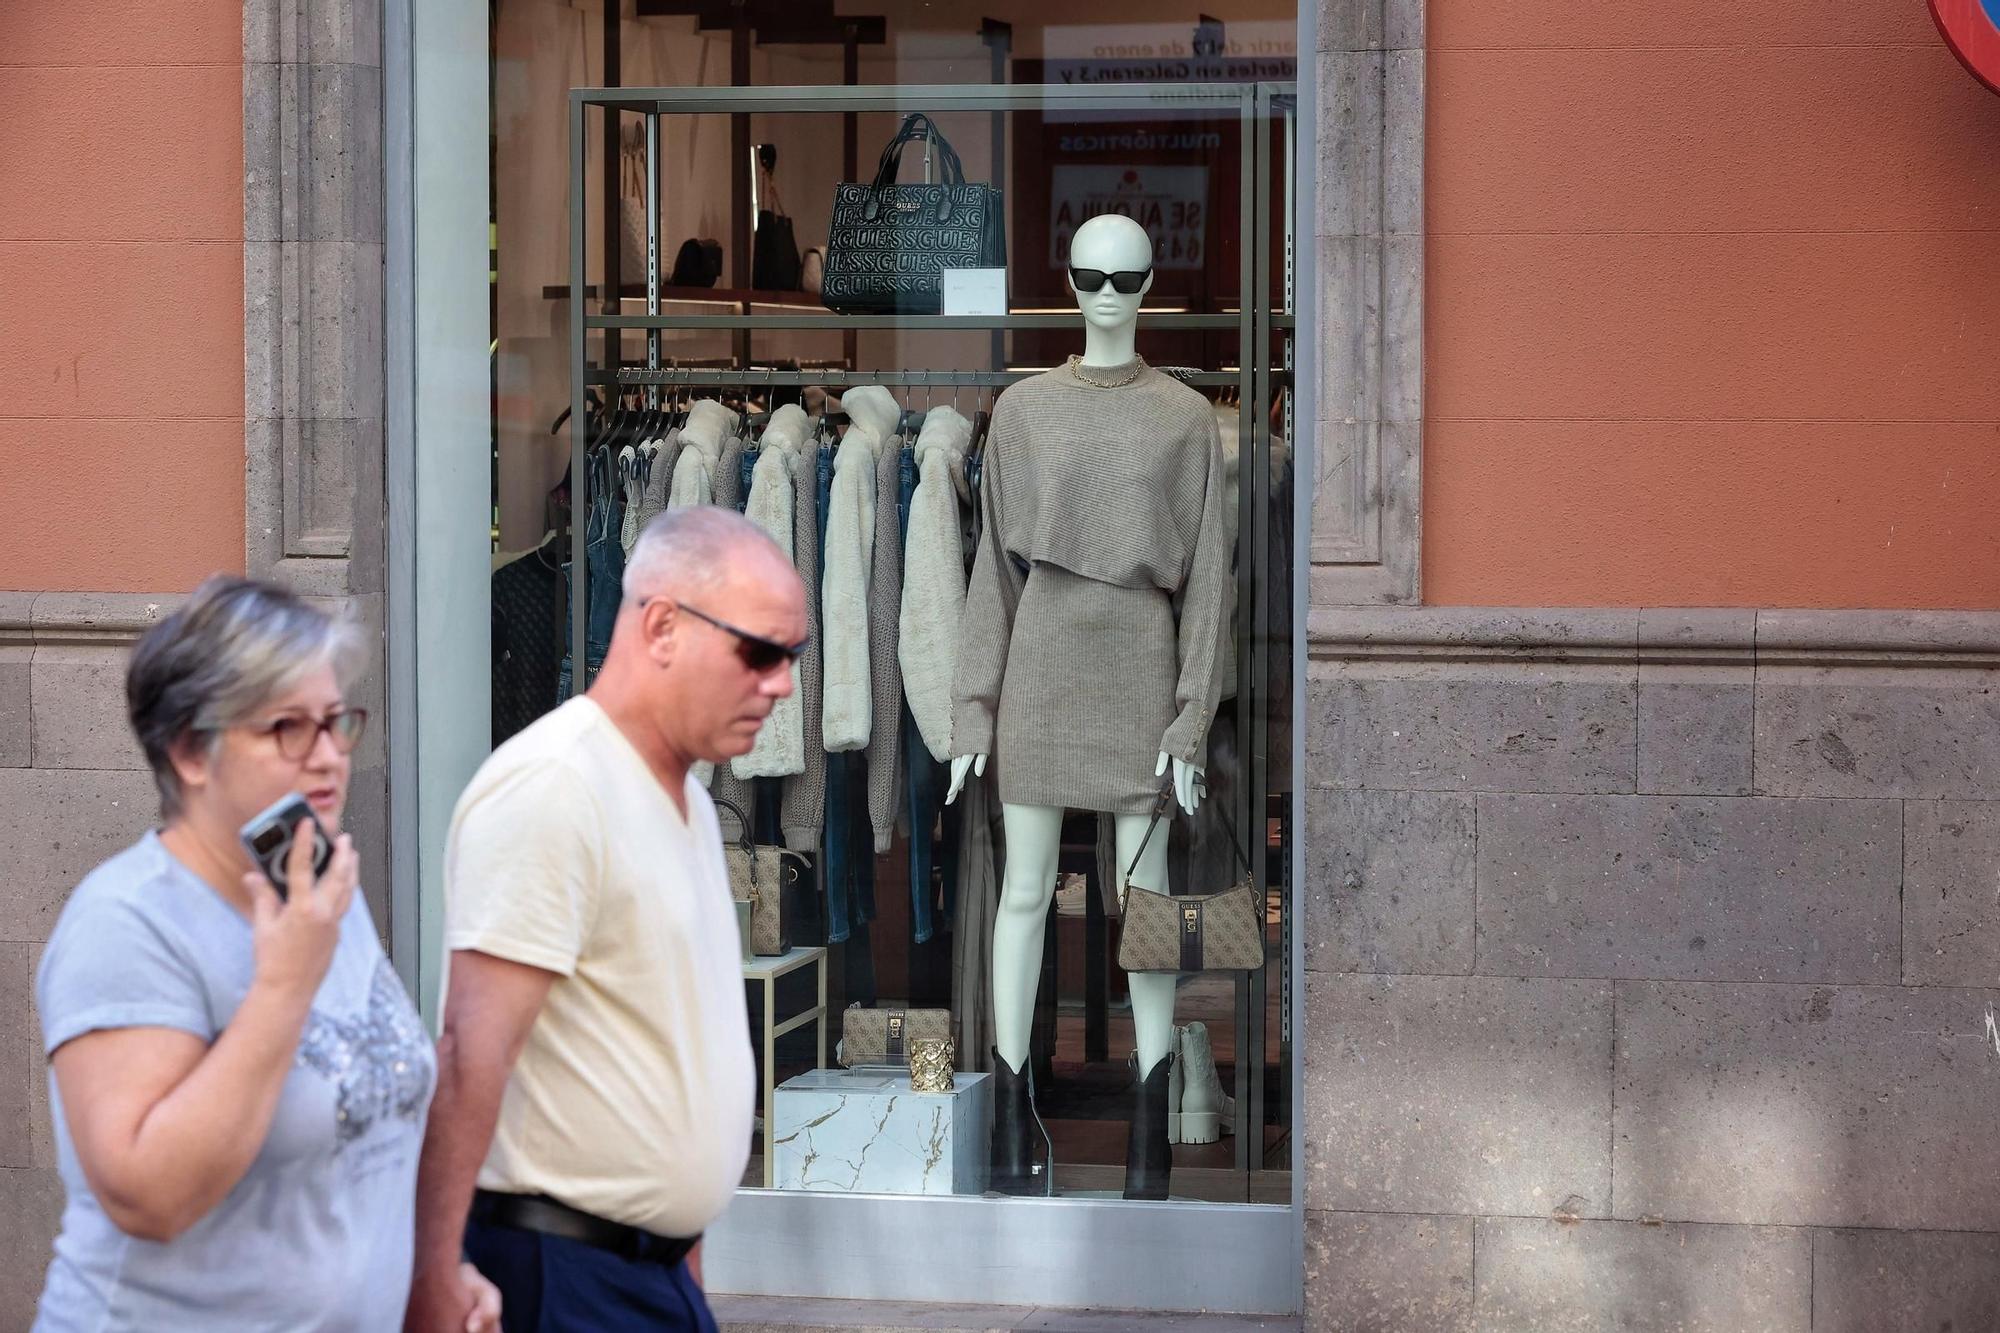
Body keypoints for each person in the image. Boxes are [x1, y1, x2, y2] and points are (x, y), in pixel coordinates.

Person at [31, 574, 500, 1332]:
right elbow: (149, 1195)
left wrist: (431, 1277)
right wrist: (283, 985)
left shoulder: (315, 890)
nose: (328, 757)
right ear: (190, 749)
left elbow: (361, 1139)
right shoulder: (126, 923)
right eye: (288, 727)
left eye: (335, 722)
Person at [405, 507, 809, 1333]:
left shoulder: (689, 801)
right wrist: (435, 1273)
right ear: (661, 625)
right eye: (761, 651)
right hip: (563, 1270)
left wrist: (682, 1259)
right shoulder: (556, 786)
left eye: (793, 656)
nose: (782, 683)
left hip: (640, 1271)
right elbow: (470, 1052)